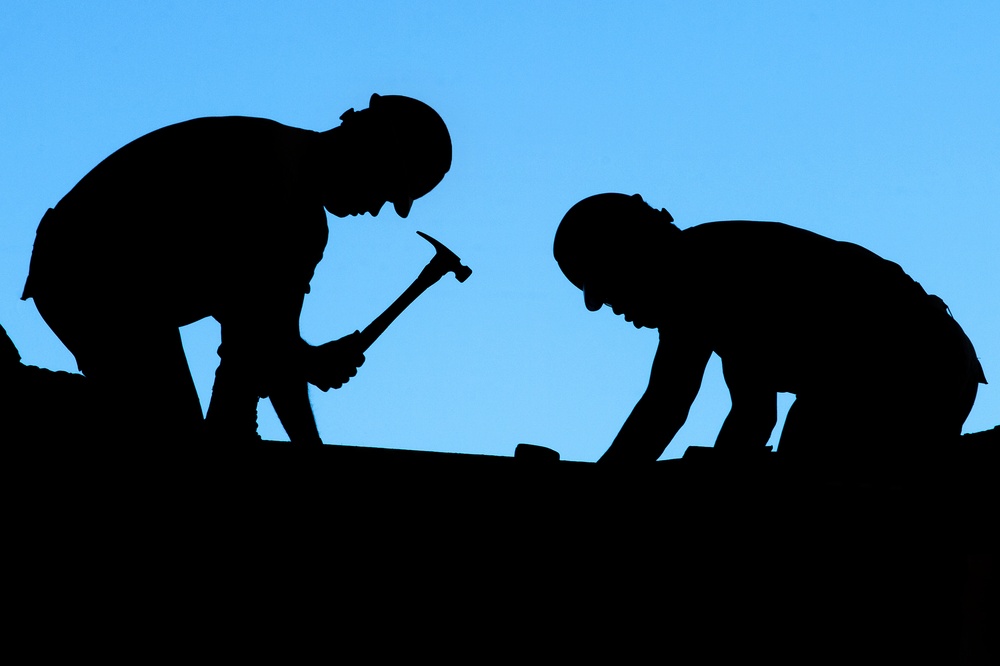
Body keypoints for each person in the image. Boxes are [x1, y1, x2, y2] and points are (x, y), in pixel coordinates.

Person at [20, 93, 452, 445]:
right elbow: (265, 342)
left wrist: (300, 361)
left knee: (177, 426)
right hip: (88, 271)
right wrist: (309, 432)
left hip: (127, 289)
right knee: (167, 431)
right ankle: (24, 398)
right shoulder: (270, 178)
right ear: (366, 149)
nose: (376, 209)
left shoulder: (301, 219)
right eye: (385, 188)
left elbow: (262, 339)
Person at [553, 193, 986, 471]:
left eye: (609, 288)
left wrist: (597, 492)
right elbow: (753, 416)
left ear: (632, 257)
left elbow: (666, 404)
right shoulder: (721, 281)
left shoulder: (698, 272)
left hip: (914, 364)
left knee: (805, 463)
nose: (612, 307)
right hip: (935, 365)